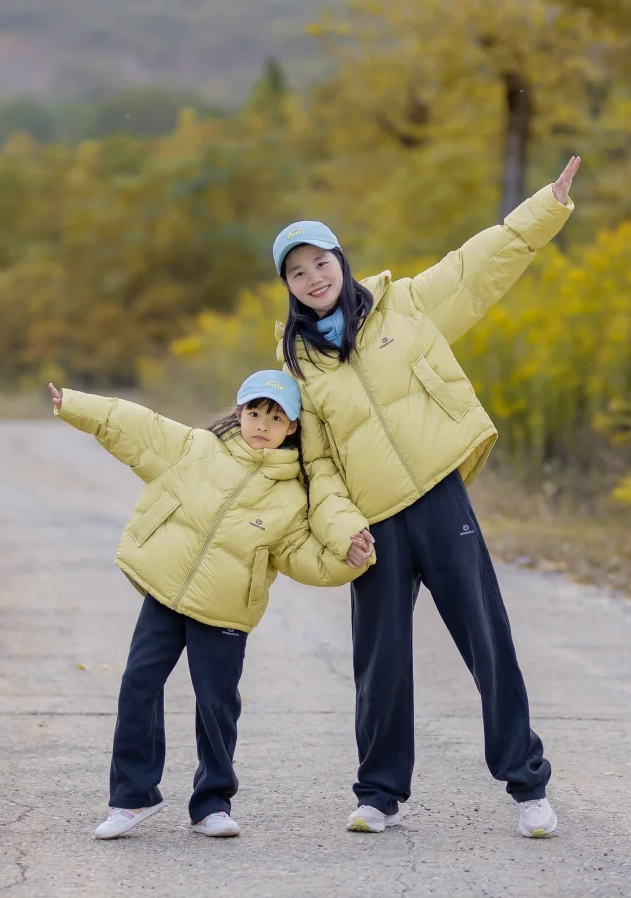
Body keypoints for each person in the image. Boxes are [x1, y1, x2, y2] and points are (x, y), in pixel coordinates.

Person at [272, 158, 580, 838]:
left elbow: (480, 264)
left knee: (486, 639)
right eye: (298, 272)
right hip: (373, 524)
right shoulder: (299, 364)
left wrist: (547, 206)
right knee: (378, 660)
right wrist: (341, 525)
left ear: (340, 261)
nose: (313, 277)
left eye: (320, 262)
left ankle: (528, 785)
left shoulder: (404, 304)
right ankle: (378, 794)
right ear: (289, 287)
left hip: (440, 500)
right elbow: (317, 466)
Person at [49, 370, 373, 841]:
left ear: (293, 428)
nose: (262, 423)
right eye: (254, 412)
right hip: (166, 593)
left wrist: (350, 558)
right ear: (239, 413)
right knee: (138, 685)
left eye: (276, 417)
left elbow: (301, 554)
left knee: (216, 704)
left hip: (224, 612)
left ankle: (212, 804)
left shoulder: (292, 495)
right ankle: (131, 798)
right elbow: (138, 426)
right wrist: (77, 405)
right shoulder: (197, 449)